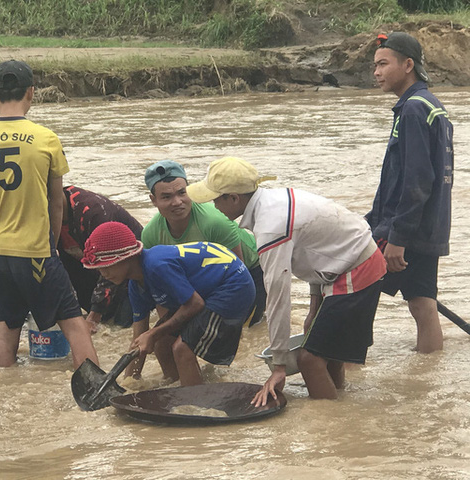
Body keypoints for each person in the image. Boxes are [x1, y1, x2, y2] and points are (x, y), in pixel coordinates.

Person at [187, 156, 387, 405]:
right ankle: (340, 405)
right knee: (326, 352)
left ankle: (330, 425)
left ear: (234, 198)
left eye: (216, 199)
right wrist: (313, 308)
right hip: (347, 264)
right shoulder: (272, 202)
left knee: (309, 360)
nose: (213, 206)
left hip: (357, 268)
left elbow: (278, 296)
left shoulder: (271, 227)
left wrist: (279, 365)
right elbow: (319, 252)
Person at [0, 60, 98, 369]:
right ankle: (95, 390)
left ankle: (4, 390)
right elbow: (57, 203)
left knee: (7, 327)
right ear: (31, 93)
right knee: (73, 321)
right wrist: (50, 246)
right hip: (36, 250)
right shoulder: (46, 139)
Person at [81, 221, 256, 386]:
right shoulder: (136, 286)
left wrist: (154, 333)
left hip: (233, 285)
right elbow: (139, 338)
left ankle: (195, 403)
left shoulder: (156, 266)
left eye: (106, 266)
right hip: (206, 289)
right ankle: (174, 385)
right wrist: (130, 382)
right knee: (161, 342)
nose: (103, 273)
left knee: (182, 348)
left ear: (126, 257)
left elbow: (195, 304)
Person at [370, 32, 453, 353]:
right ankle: (427, 377)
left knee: (355, 290)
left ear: (408, 65)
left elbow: (416, 181)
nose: (376, 73)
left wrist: (397, 237)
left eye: (382, 64)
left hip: (406, 229)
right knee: (422, 303)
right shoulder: (430, 105)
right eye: (374, 66)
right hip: (427, 224)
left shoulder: (414, 111)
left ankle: (345, 367)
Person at [142, 159, 267, 328]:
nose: (177, 202)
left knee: (243, 330)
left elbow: (239, 277)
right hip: (202, 276)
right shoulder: (150, 234)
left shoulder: (214, 222)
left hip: (249, 271)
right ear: (153, 200)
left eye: (182, 193)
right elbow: (161, 289)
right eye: (166, 197)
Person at [59, 185, 143, 331]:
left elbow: (111, 262)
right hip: (89, 267)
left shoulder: (93, 211)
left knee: (120, 327)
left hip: (127, 269)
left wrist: (93, 316)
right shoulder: (39, 218)